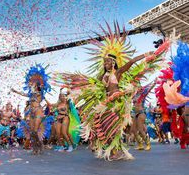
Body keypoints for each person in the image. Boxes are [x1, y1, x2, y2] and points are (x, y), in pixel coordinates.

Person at [54, 22, 171, 160]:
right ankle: (113, 149)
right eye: (104, 62)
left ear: (113, 63)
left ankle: (116, 150)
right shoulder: (102, 76)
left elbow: (132, 62)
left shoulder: (119, 73)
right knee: (102, 127)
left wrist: (145, 55)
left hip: (117, 102)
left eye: (108, 62)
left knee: (114, 128)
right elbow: (92, 85)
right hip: (105, 102)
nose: (106, 64)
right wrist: (75, 90)